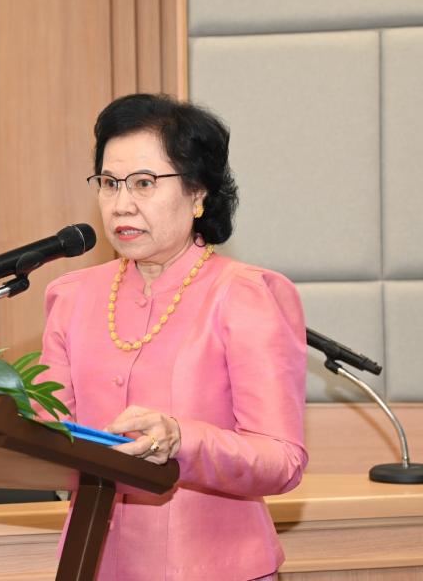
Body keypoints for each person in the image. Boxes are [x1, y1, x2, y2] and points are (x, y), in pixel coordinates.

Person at [40, 93, 307, 580]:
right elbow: (47, 429)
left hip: (217, 569)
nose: (121, 204)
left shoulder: (245, 295)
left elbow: (281, 459)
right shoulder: (72, 296)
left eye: (144, 183)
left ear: (197, 192)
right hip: (91, 561)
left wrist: (184, 439)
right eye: (109, 183)